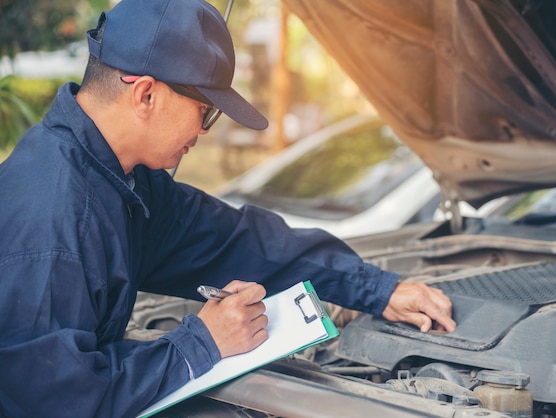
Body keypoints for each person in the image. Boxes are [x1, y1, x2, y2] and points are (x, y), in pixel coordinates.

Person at [0, 0, 455, 416]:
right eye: (206, 111)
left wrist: (377, 289)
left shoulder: (119, 180)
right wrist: (199, 344)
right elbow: (55, 400)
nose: (205, 132)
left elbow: (236, 241)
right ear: (145, 95)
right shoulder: (54, 216)